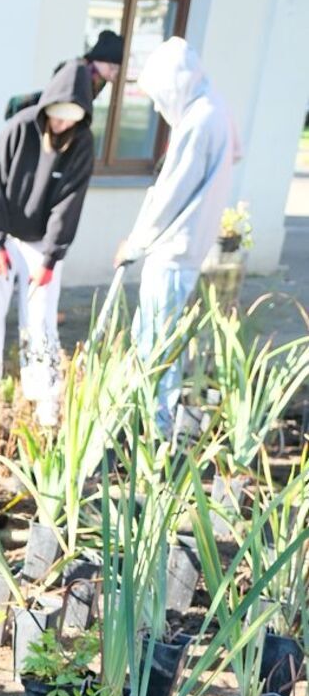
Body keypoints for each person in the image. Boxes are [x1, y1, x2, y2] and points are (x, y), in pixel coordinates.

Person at [116, 37, 239, 435]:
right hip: (187, 249)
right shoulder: (218, 111)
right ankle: (150, 425)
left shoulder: (199, 120)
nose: (156, 107)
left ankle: (155, 433)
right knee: (159, 341)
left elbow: (170, 194)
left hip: (172, 252)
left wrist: (134, 244)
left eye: (158, 97)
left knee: (156, 346)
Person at [0, 61, 95, 426]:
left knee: (40, 321)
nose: (61, 126)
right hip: (2, 231)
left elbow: (69, 203)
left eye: (70, 120)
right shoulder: (19, 129)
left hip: (41, 242)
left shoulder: (82, 143)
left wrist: (51, 259)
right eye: (57, 118)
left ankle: (45, 407)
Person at [3, 31, 124, 119]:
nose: (113, 75)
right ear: (99, 58)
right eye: (112, 67)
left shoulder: (98, 79)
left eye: (117, 71)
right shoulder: (79, 72)